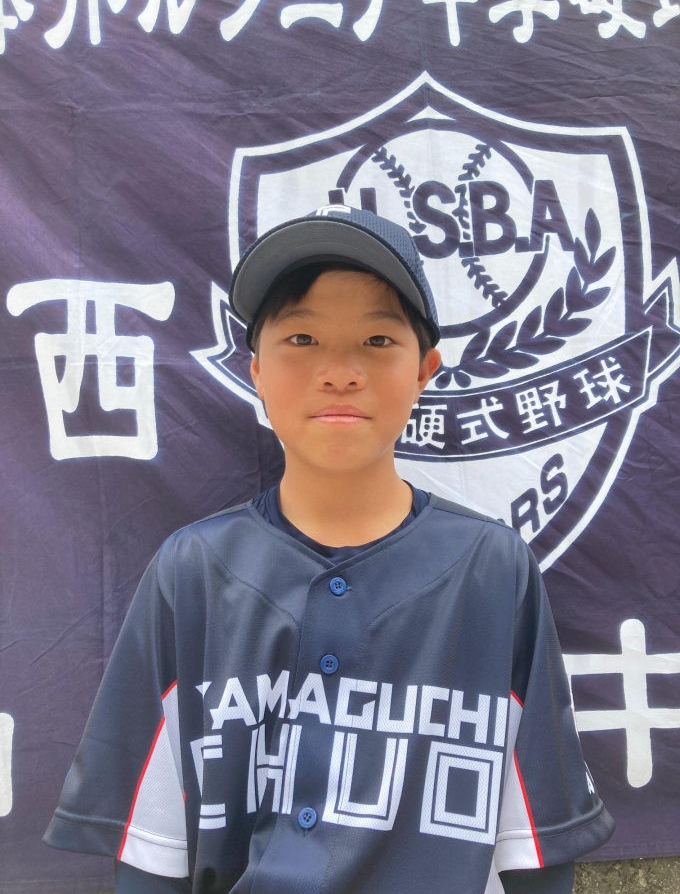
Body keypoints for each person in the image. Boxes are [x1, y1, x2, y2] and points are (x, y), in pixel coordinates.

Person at [44, 206, 615, 894]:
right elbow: (151, 853)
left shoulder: (492, 570)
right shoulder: (192, 572)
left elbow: (535, 846)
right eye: (303, 337)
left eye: (377, 339)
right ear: (256, 371)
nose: (340, 372)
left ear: (425, 369)